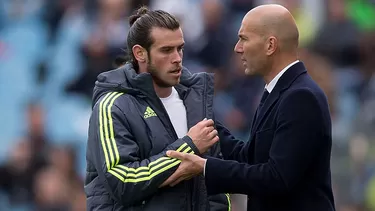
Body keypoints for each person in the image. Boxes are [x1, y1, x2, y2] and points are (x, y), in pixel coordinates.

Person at [163, 4, 336, 211]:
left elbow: (277, 178)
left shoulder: (301, 96)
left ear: (270, 45)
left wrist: (205, 167)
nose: (237, 48)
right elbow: (251, 158)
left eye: (244, 38)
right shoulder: (279, 91)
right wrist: (202, 121)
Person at [84, 6, 230, 211]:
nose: (177, 58)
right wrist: (188, 146)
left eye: (180, 48)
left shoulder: (196, 102)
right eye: (166, 50)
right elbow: (123, 182)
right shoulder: (112, 106)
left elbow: (214, 187)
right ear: (140, 53)